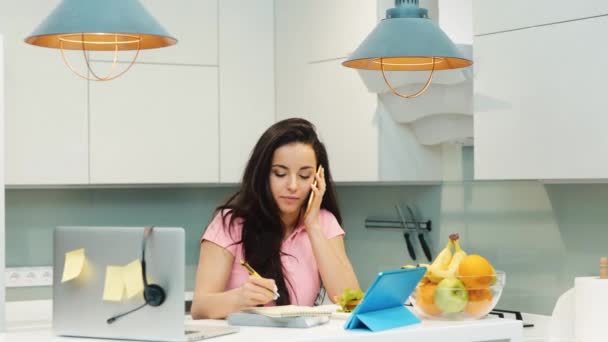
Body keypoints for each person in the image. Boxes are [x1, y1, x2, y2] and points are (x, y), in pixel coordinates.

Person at [191, 118, 360, 319]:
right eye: (280, 174)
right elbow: (200, 308)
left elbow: (350, 302)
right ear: (263, 174)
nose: (293, 186)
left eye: (305, 176)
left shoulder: (324, 222)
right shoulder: (229, 223)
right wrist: (239, 299)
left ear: (317, 179)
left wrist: (313, 226)